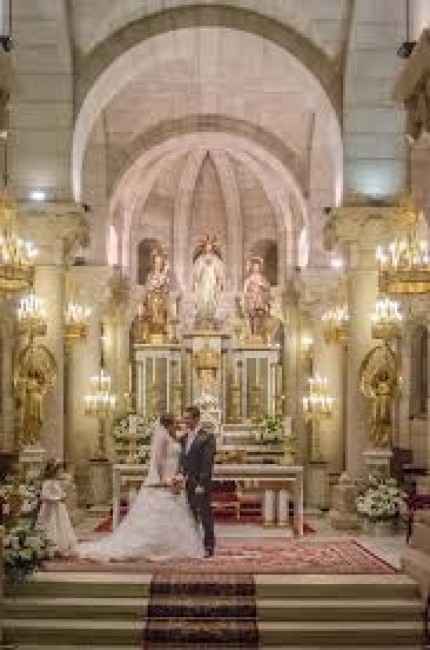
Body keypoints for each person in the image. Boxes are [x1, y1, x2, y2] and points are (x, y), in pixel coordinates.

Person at [77, 414, 203, 562]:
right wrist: (165, 480)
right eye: (175, 422)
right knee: (158, 515)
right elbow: (158, 462)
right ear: (168, 424)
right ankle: (153, 546)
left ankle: (164, 545)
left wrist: (178, 476)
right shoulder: (162, 438)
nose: (178, 423)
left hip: (174, 479)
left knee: (173, 514)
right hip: (164, 481)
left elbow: (178, 459)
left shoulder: (174, 438)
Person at [179, 405, 216, 558]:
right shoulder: (183, 437)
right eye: (184, 418)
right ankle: (194, 544)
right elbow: (183, 460)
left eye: (187, 418)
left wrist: (201, 483)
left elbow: (207, 463)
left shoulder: (207, 437)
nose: (184, 421)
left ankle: (209, 545)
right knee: (190, 514)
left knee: (205, 514)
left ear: (196, 419)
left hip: (200, 483)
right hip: (186, 482)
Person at [36, 459, 77, 557]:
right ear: (53, 470)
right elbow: (45, 496)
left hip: (59, 508)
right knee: (51, 525)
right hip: (50, 509)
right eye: (59, 469)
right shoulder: (47, 482)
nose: (61, 472)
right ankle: (51, 547)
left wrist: (63, 495)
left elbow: (59, 492)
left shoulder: (56, 482)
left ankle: (62, 546)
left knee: (61, 526)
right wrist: (58, 498)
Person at [192, 235, 225, 326]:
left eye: (210, 246)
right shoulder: (200, 259)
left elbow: (220, 273)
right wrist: (203, 267)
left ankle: (211, 318)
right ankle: (203, 318)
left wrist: (220, 282)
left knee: (211, 299)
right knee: (203, 299)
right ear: (204, 247)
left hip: (212, 284)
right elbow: (196, 274)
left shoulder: (216, 260)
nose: (208, 248)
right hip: (203, 284)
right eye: (207, 246)